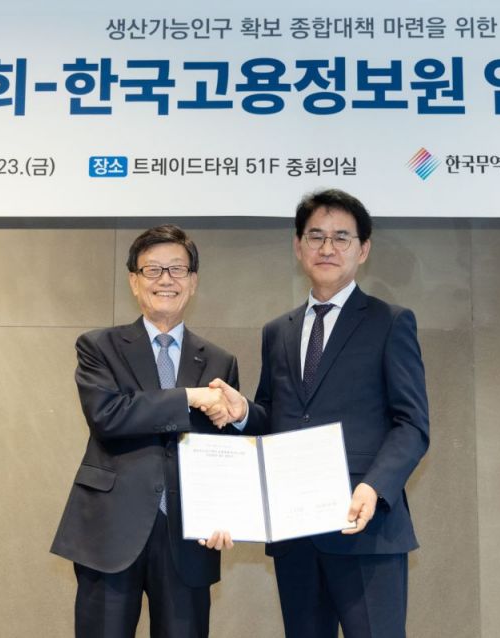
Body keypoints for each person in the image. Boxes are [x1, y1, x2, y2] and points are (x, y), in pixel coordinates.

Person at [211, 189, 430, 638]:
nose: (327, 248)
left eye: (341, 237)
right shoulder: (278, 331)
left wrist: (375, 486)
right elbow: (274, 416)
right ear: (298, 246)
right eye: (316, 236)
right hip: (295, 530)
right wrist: (243, 413)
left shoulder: (390, 322)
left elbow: (412, 424)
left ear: (363, 250)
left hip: (364, 526)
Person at [51, 224, 242, 638]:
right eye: (152, 270)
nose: (165, 280)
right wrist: (188, 397)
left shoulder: (220, 361)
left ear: (193, 281)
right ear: (134, 281)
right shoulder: (99, 347)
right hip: (110, 531)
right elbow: (108, 415)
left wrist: (225, 511)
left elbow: (225, 449)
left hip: (189, 538)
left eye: (177, 269)